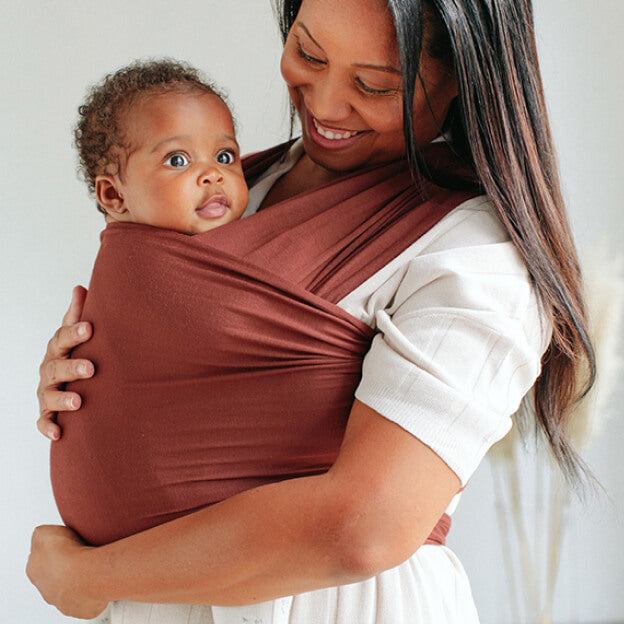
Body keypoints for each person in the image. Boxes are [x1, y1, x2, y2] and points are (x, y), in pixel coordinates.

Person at [28, 1, 595, 623]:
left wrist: (87, 574)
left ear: (463, 77)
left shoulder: (475, 255)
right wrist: (101, 376)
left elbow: (363, 529)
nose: (324, 106)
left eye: (374, 84)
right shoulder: (240, 182)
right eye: (308, 54)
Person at [74, 59, 248, 235]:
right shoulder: (141, 258)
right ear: (114, 195)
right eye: (177, 160)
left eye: (224, 157)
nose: (213, 174)